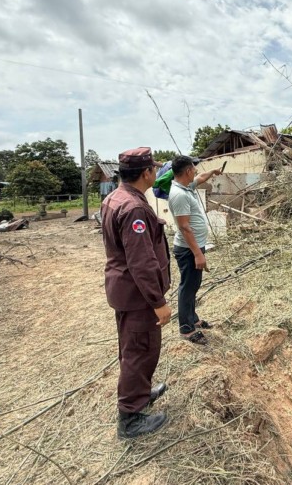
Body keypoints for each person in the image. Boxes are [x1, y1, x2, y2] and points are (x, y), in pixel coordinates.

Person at [101, 147, 172, 438]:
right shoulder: (135, 208)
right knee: (140, 352)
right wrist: (158, 302)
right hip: (139, 295)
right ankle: (130, 418)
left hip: (126, 290)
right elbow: (141, 262)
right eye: (153, 169)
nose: (156, 172)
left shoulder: (115, 198)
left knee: (132, 348)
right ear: (146, 173)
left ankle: (140, 393)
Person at [168, 155, 223, 345]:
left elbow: (200, 179)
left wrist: (214, 172)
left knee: (193, 285)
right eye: (194, 168)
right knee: (187, 287)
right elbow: (184, 227)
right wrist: (198, 254)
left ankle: (193, 319)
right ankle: (186, 329)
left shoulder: (186, 186)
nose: (197, 171)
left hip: (194, 247)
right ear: (188, 171)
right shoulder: (179, 195)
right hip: (188, 250)